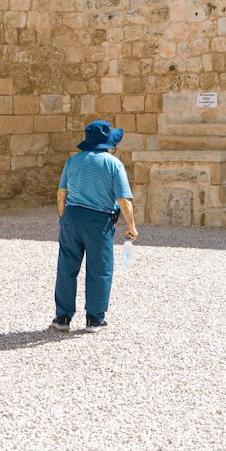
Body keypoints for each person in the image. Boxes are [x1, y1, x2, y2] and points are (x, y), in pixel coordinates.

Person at [51, 120, 138, 333]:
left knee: (66, 267)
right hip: (98, 220)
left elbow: (61, 192)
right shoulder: (113, 164)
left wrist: (64, 218)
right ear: (109, 143)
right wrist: (131, 226)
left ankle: (62, 317)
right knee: (100, 268)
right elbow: (123, 200)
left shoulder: (72, 162)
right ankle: (94, 318)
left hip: (71, 217)